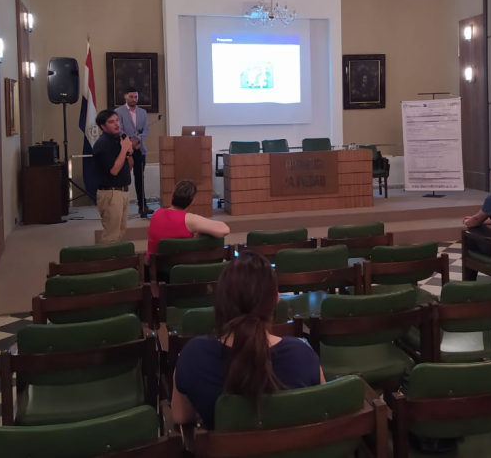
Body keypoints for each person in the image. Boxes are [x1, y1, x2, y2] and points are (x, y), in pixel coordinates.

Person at [171, 252, 324, 429]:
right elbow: (323, 410)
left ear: (220, 301)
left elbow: (181, 416)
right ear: (276, 300)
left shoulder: (194, 357)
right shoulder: (303, 355)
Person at [147, 179, 230, 257]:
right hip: (183, 266)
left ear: (172, 194)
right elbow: (224, 229)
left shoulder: (156, 214)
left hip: (156, 266)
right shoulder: (189, 220)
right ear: (192, 201)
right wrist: (201, 229)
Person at [92, 109, 133, 244]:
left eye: (117, 120)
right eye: (111, 122)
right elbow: (114, 170)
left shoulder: (118, 141)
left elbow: (128, 167)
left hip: (123, 191)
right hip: (111, 193)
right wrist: (124, 149)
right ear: (103, 126)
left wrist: (129, 153)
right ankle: (107, 257)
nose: (116, 124)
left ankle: (116, 256)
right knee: (111, 234)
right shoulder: (102, 144)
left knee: (121, 230)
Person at [115, 86, 152, 218]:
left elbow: (146, 130)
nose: (134, 99)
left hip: (139, 149)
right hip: (124, 150)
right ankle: (120, 206)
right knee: (123, 178)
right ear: (125, 96)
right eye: (131, 97)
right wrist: (130, 142)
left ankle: (142, 206)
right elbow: (119, 130)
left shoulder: (142, 112)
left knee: (139, 178)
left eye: (136, 97)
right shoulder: (118, 112)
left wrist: (137, 140)